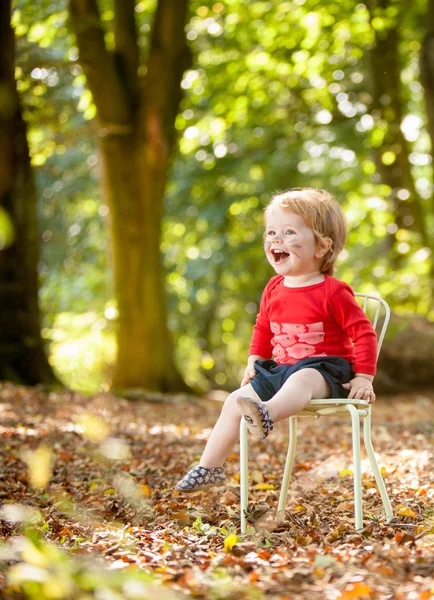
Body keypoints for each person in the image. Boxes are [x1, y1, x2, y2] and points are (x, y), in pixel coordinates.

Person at [175, 187, 377, 492]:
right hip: (281, 370)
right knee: (233, 400)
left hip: (325, 371)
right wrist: (254, 360)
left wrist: (364, 377)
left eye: (289, 232)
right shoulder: (274, 287)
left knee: (304, 378)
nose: (275, 240)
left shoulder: (332, 291)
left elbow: (363, 333)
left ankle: (267, 414)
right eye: (271, 233)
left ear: (321, 246)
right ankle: (210, 466)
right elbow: (263, 327)